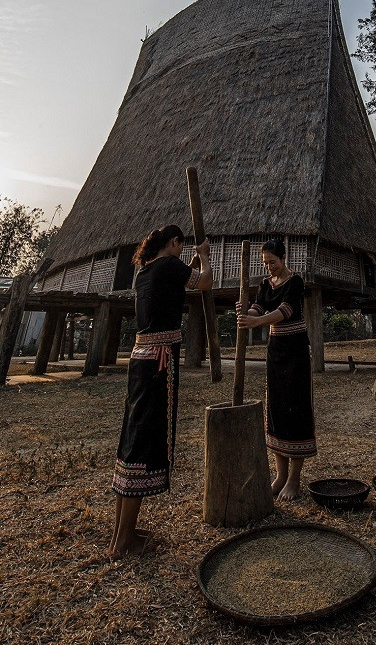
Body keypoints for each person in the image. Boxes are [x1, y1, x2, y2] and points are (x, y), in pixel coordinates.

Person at [108, 225, 212, 558]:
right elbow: (204, 282)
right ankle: (123, 543)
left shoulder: (145, 270)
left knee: (131, 439)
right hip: (159, 362)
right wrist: (206, 259)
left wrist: (192, 262)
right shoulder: (169, 264)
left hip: (140, 359)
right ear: (174, 243)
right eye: (181, 247)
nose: (182, 252)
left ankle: (120, 535)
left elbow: (179, 281)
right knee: (144, 444)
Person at [236, 239, 316, 500]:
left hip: (295, 350)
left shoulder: (296, 282)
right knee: (277, 408)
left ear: (283, 258)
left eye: (273, 262)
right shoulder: (265, 284)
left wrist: (257, 321)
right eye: (265, 263)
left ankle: (294, 479)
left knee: (296, 408)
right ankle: (280, 475)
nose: (269, 267)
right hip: (276, 351)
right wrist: (246, 312)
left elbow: (285, 310)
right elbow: (259, 305)